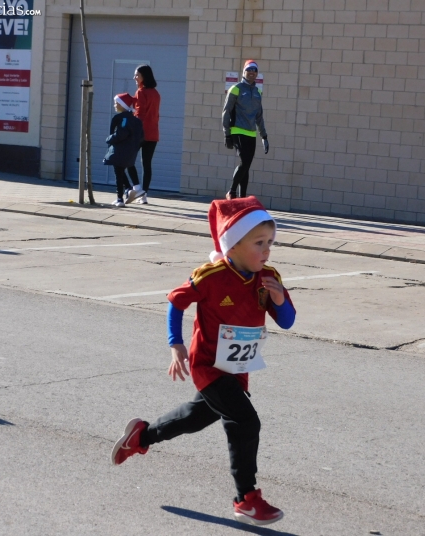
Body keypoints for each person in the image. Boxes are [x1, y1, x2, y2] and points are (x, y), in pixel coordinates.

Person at [111, 196, 296, 527]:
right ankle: (246, 499)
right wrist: (176, 344)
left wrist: (280, 298)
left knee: (195, 418)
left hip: (237, 368)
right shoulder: (211, 276)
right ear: (233, 244)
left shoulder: (268, 277)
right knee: (244, 421)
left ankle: (141, 436)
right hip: (207, 365)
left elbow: (287, 320)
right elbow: (176, 301)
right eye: (259, 243)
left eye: (271, 242)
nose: (267, 250)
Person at [222, 60, 269, 200]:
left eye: (254, 70)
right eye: (249, 69)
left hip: (251, 133)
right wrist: (227, 134)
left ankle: (242, 197)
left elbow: (259, 116)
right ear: (244, 72)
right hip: (237, 130)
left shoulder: (258, 92)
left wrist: (264, 136)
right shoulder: (236, 89)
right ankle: (232, 191)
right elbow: (226, 112)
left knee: (247, 164)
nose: (252, 72)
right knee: (244, 161)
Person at [127, 64, 161, 205]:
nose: (134, 77)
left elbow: (140, 114)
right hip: (153, 133)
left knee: (127, 159)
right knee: (147, 164)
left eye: (137, 75)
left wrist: (131, 127)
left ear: (143, 77)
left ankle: (137, 187)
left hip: (141, 132)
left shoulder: (141, 92)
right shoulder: (156, 93)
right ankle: (144, 195)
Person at [103, 93, 144, 207]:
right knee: (120, 172)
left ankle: (119, 199)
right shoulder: (136, 120)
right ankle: (128, 189)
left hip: (120, 150)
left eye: (116, 103)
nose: (114, 105)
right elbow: (141, 137)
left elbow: (121, 133)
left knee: (118, 174)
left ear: (122, 105)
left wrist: (109, 139)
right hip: (131, 151)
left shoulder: (123, 119)